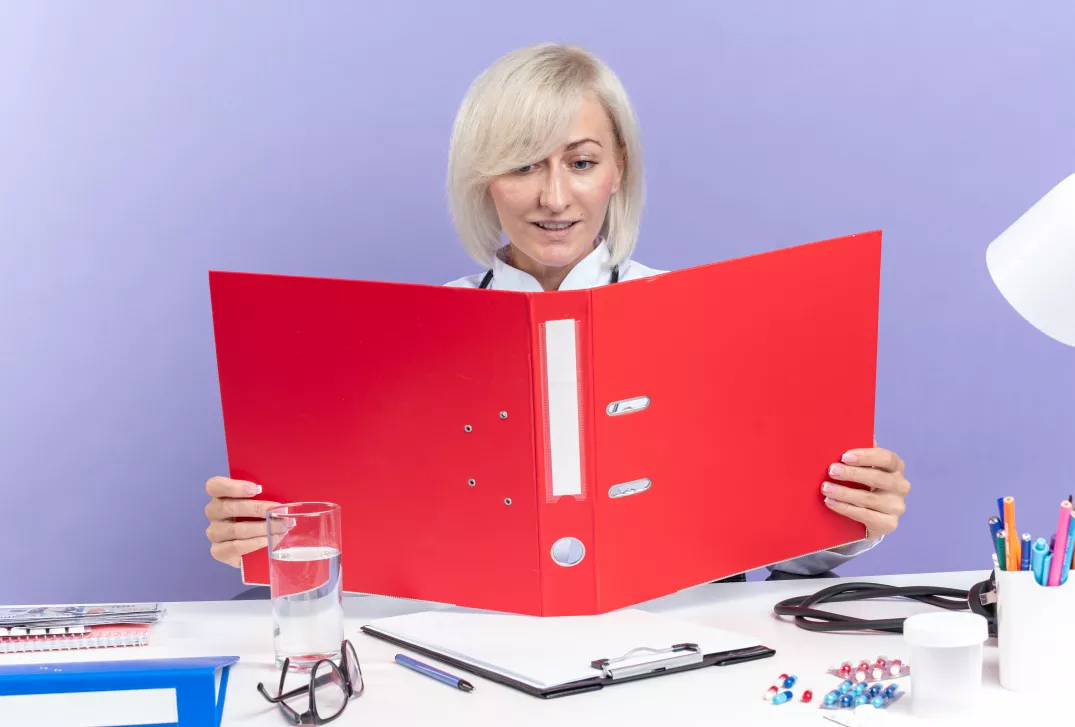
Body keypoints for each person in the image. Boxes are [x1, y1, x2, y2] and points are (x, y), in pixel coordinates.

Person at [205, 43, 910, 580]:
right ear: (484, 181)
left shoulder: (711, 323)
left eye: (580, 162)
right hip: (472, 659)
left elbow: (787, 570)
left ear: (618, 170)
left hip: (683, 654)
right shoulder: (406, 338)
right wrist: (268, 537)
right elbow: (369, 565)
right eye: (522, 165)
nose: (553, 198)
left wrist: (847, 519)